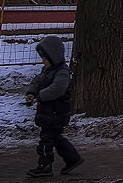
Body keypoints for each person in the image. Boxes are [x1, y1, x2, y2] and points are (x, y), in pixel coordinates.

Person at [24, 35, 83, 177]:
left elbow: (58, 89)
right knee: (56, 138)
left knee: (46, 139)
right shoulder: (47, 70)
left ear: (53, 57)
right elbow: (37, 81)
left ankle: (45, 165)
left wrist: (40, 97)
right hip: (49, 113)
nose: (43, 62)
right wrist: (32, 92)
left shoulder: (62, 72)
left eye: (45, 59)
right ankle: (73, 159)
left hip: (56, 113)